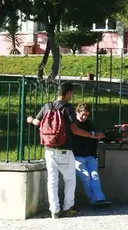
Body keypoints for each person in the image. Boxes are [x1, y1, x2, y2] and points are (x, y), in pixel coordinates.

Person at [26, 82, 96, 219]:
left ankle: (54, 210)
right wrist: (92, 135)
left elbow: (38, 122)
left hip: (49, 149)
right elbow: (74, 129)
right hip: (64, 149)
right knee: (70, 179)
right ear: (68, 93)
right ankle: (68, 208)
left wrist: (30, 119)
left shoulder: (47, 106)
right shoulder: (67, 108)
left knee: (52, 180)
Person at [73, 102, 111, 207]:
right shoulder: (73, 123)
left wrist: (99, 136)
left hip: (89, 155)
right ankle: (92, 198)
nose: (84, 117)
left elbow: (94, 135)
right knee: (86, 176)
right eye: (82, 114)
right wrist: (92, 135)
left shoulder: (89, 124)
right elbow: (77, 132)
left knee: (94, 175)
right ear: (77, 112)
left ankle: (99, 199)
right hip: (77, 155)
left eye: (86, 115)